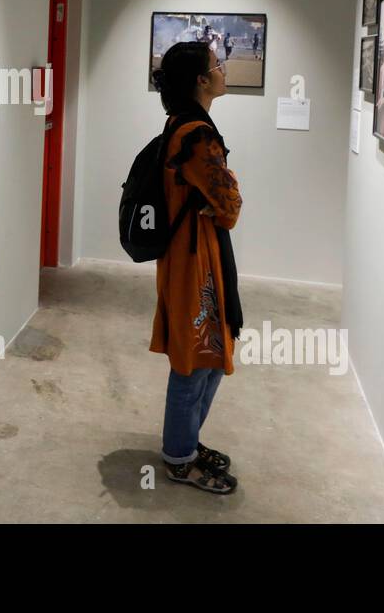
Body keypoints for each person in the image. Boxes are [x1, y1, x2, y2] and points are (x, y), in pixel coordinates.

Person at [150, 41, 244, 494]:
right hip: (195, 258)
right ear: (202, 81)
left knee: (202, 354)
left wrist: (217, 203)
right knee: (194, 358)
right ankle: (179, 458)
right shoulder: (198, 136)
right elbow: (229, 205)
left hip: (190, 254)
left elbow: (220, 202)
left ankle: (185, 441)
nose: (223, 71)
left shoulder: (180, 124)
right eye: (217, 66)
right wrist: (221, 203)